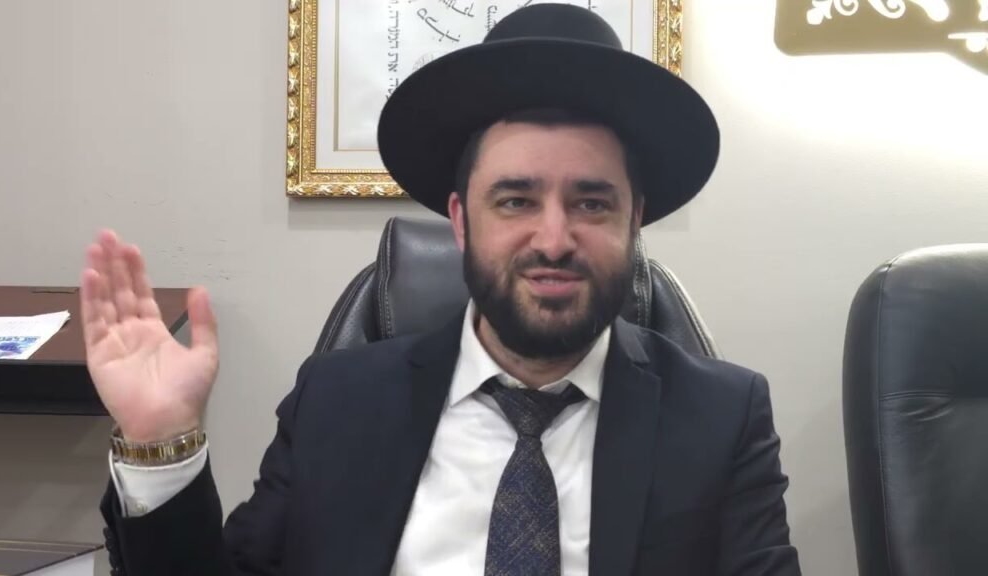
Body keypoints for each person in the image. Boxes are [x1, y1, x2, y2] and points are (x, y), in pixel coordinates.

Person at [85, 5, 801, 575]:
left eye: (591, 203)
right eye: (516, 201)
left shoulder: (722, 417)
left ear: (634, 220)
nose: (553, 239)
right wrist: (163, 447)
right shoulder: (337, 401)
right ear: (462, 220)